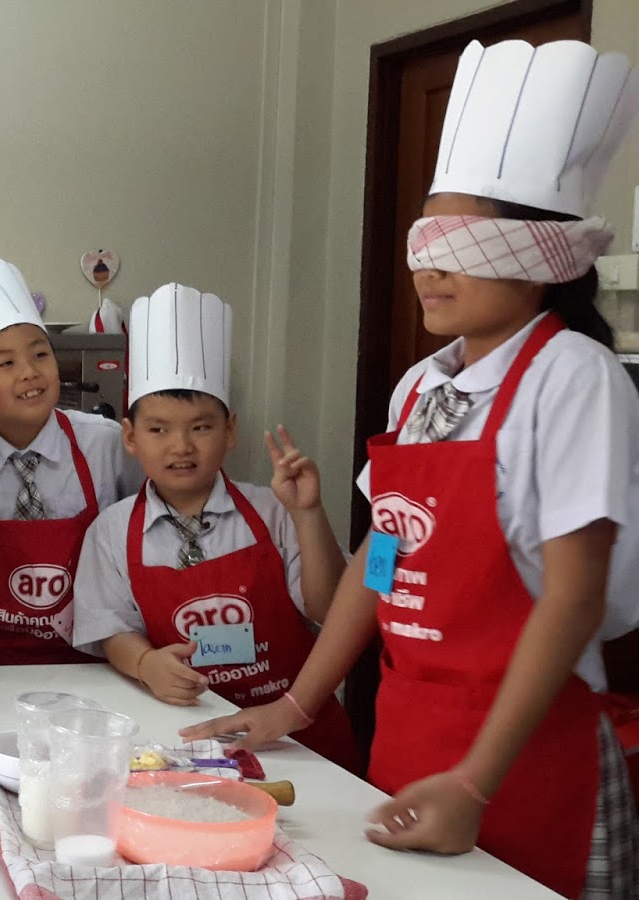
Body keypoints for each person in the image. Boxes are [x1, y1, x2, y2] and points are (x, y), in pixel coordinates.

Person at [186, 39, 639, 898]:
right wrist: (297, 705)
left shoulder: (575, 376)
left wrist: (476, 783)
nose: (428, 266)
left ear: (541, 254)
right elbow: (384, 557)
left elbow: (575, 598)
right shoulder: (421, 388)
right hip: (409, 734)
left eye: (461, 243)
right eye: (424, 240)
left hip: (523, 755)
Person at [72, 284, 362, 772]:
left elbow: (329, 608)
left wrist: (309, 513)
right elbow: (110, 629)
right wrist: (144, 664)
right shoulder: (112, 532)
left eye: (201, 427)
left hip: (299, 739)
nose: (181, 446)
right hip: (186, 740)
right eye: (158, 429)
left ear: (230, 431)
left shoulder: (273, 510)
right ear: (130, 437)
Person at [0, 256, 143, 665]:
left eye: (40, 354)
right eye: (6, 363)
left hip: (100, 660)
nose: (29, 372)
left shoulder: (105, 446)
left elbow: (143, 544)